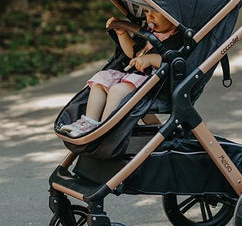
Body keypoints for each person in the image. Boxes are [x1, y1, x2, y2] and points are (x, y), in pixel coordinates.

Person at [60, 8, 177, 137]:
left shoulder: (178, 37)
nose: (150, 17)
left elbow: (176, 62)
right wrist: (122, 34)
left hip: (156, 84)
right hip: (135, 78)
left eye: (155, 12)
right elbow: (134, 54)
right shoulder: (150, 32)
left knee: (117, 90)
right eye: (147, 12)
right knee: (100, 80)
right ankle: (89, 122)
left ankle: (105, 128)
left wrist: (152, 59)